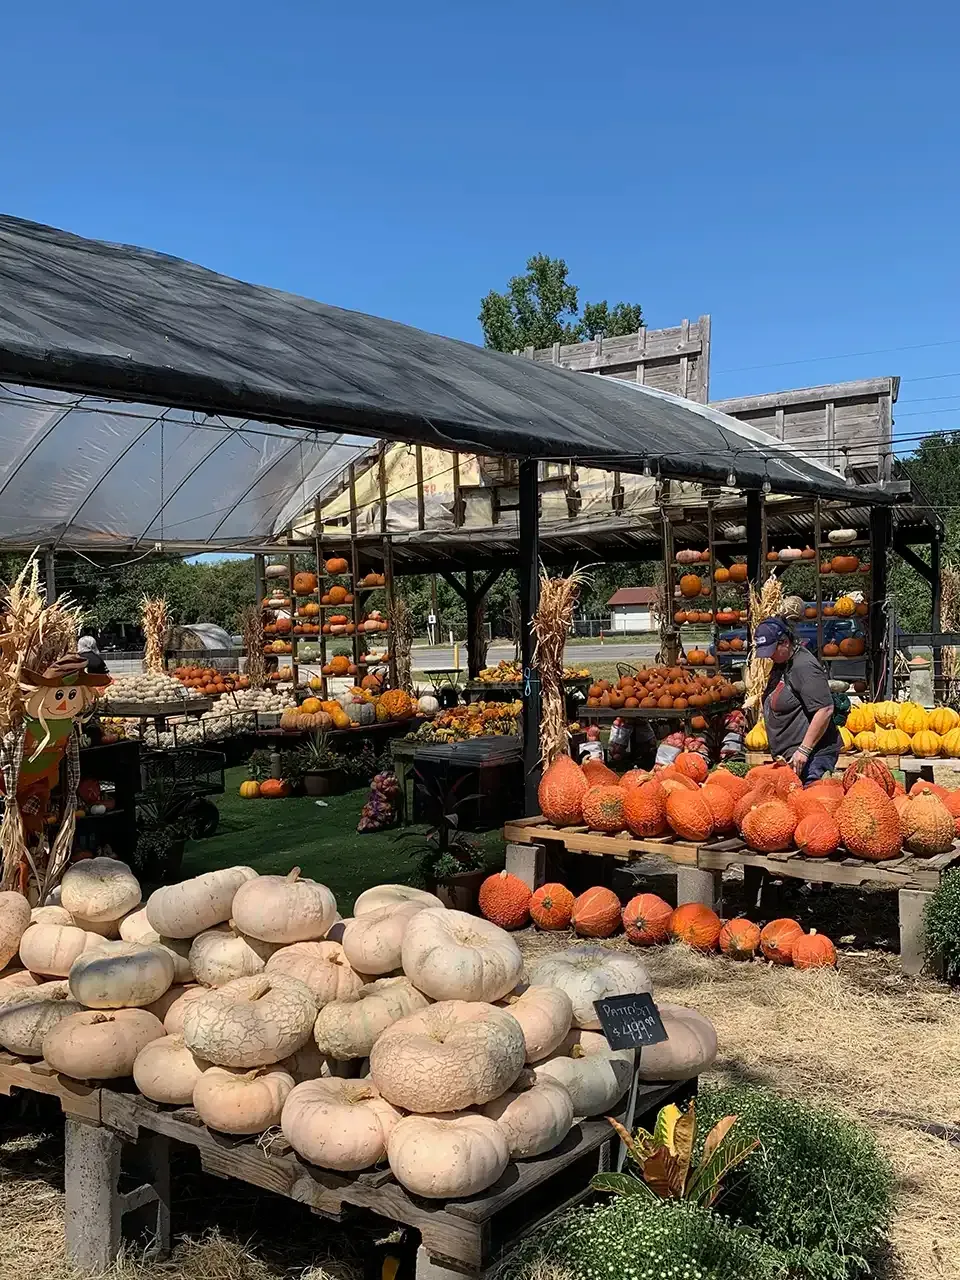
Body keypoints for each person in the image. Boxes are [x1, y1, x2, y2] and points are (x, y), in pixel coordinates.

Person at [754, 616, 840, 782]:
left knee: (811, 804)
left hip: (811, 758)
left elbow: (825, 709)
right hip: (791, 757)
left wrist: (804, 750)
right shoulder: (783, 662)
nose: (769, 656)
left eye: (771, 650)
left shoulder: (804, 666)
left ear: (785, 642)